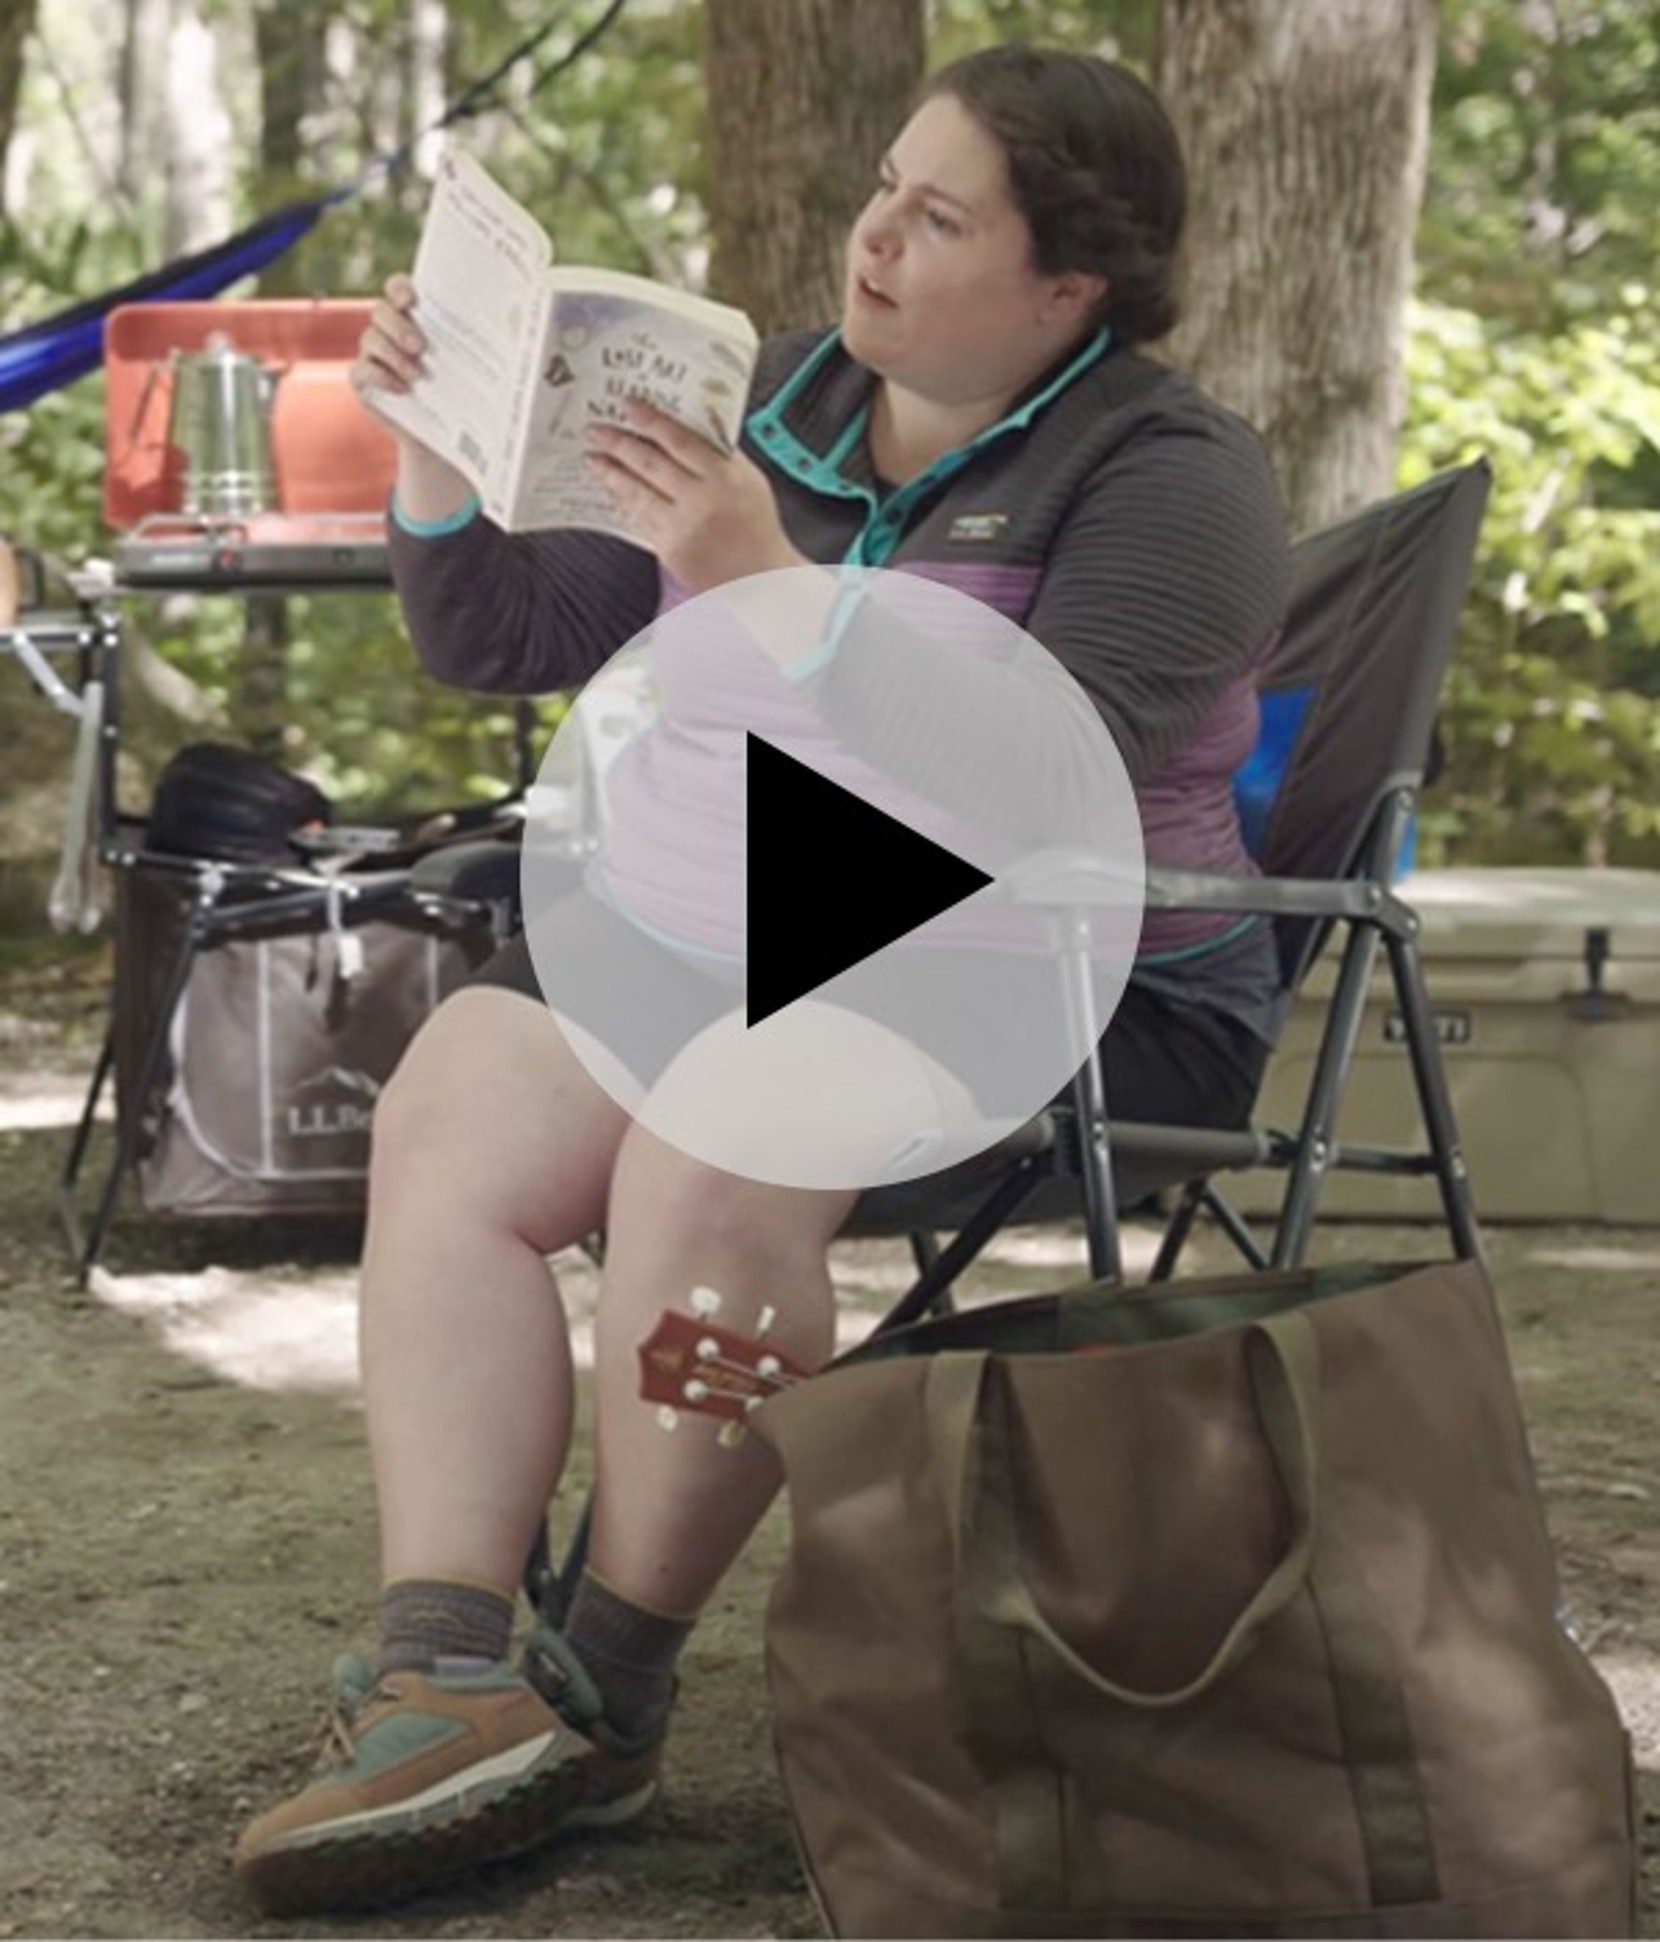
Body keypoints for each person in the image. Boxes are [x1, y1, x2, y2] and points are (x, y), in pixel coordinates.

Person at [233, 41, 1290, 1915]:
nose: (874, 235)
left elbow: (1040, 781)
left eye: (939, 215)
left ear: (1074, 289)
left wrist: (759, 592)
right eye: (886, 185)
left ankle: (604, 1701)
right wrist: (435, 448)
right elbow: (500, 630)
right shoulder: (780, 398)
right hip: (749, 925)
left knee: (711, 1143)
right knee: (460, 1100)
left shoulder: (1171, 472)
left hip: (1056, 954)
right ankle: (444, 1663)